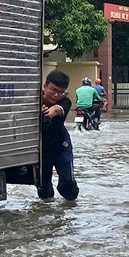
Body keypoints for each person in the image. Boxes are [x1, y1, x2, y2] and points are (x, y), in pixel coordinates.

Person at [38, 70, 78, 201]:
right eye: (53, 90)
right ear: (45, 86)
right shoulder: (35, 101)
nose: (56, 95)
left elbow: (56, 110)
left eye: (60, 92)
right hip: (42, 149)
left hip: (61, 146)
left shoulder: (65, 102)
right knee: (44, 191)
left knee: (68, 186)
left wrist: (47, 113)